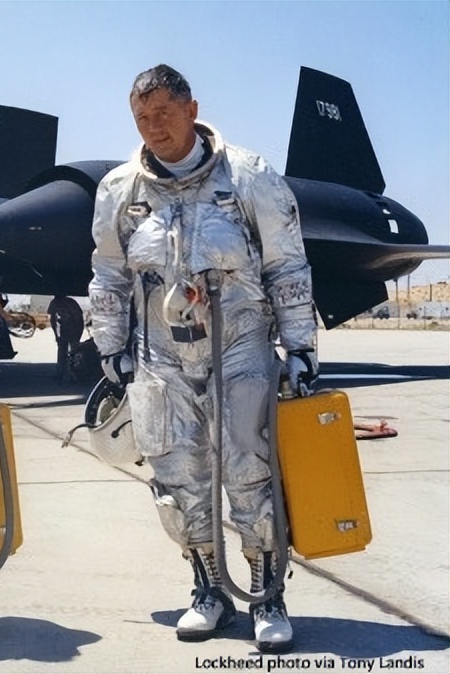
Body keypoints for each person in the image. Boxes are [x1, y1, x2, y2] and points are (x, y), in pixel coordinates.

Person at [88, 65, 318, 653]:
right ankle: (209, 589)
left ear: (192, 108)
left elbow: (287, 265)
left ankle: (266, 596)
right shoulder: (121, 190)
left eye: (164, 113)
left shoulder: (248, 177)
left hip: (239, 345)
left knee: (249, 469)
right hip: (159, 357)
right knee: (177, 478)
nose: (154, 128)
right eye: (142, 118)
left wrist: (299, 347)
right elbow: (109, 276)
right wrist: (111, 351)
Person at [46, 295, 84, 381]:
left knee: (73, 353)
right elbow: (53, 320)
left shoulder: (71, 303)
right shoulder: (54, 303)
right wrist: (56, 334)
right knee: (61, 353)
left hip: (74, 329)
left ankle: (74, 374)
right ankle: (60, 374)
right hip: (62, 330)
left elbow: (79, 320)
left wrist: (78, 335)